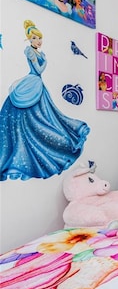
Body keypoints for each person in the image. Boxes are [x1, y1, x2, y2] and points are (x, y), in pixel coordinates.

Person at [0, 20, 90, 181]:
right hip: (32, 82)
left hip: (38, 84)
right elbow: (39, 69)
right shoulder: (31, 52)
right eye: (35, 38)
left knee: (48, 114)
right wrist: (46, 61)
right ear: (30, 39)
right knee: (34, 116)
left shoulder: (38, 52)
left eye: (39, 38)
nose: (38, 41)